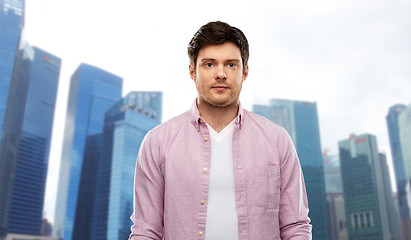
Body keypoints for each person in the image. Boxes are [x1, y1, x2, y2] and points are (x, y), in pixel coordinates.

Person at [129, 21, 312, 240]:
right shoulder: (157, 142)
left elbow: (295, 228)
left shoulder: (277, 140)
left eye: (231, 65)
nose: (220, 74)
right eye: (209, 64)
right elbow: (146, 231)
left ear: (244, 72)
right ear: (192, 72)